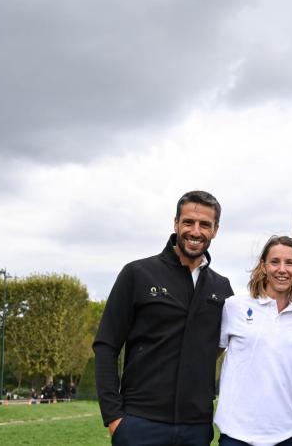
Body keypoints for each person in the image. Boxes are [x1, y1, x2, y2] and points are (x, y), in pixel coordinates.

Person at [94, 190, 234, 446]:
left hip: (196, 428)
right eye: (188, 222)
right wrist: (114, 417)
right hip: (139, 424)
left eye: (205, 224)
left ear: (215, 230)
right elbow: (106, 345)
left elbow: (223, 347)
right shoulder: (137, 274)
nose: (195, 231)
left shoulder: (222, 288)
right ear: (175, 223)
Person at [214, 235, 292, 446]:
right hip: (237, 433)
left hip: (287, 432)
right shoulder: (234, 307)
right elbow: (210, 355)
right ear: (263, 266)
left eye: (289, 263)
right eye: (275, 262)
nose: (282, 269)